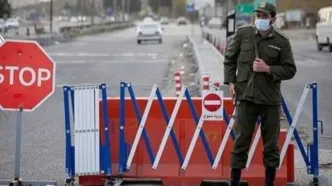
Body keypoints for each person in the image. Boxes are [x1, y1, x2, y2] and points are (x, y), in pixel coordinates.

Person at [223, 2, 297, 186]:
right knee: (240, 143)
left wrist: (268, 68)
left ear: (273, 18)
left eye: (265, 16)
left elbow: (290, 70)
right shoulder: (243, 33)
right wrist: (231, 82)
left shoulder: (281, 42)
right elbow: (229, 59)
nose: (260, 19)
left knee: (271, 147)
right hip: (246, 98)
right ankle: (234, 182)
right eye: (259, 16)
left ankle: (269, 183)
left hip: (270, 101)